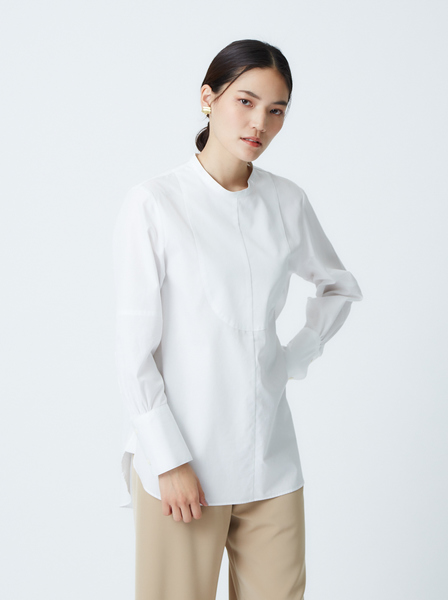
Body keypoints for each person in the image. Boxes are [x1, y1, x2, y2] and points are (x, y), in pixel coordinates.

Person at [112, 38, 363, 600]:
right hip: (185, 462)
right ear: (208, 98)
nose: (260, 124)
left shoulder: (287, 201)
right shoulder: (155, 203)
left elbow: (338, 286)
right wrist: (168, 460)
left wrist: (294, 356)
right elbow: (133, 353)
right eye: (245, 102)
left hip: (271, 460)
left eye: (276, 111)